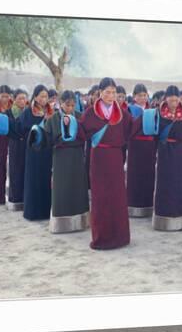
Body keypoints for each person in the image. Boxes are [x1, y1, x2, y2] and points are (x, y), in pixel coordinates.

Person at [78, 77, 133, 250]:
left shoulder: (123, 114)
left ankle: (120, 237)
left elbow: (129, 131)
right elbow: (81, 132)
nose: (111, 96)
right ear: (100, 93)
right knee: (101, 197)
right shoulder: (90, 113)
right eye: (107, 92)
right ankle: (101, 237)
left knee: (117, 196)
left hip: (115, 158)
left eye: (113, 92)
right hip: (99, 158)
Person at [43, 90, 90, 233]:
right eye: (67, 105)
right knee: (61, 188)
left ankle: (80, 222)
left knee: (77, 187)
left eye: (72, 105)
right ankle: (61, 224)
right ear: (60, 103)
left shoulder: (80, 117)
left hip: (77, 156)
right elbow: (47, 139)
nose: (70, 108)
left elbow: (86, 135)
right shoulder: (53, 119)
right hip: (61, 158)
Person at [149, 85, 182, 231]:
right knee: (165, 182)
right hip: (165, 151)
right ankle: (163, 216)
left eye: (176, 98)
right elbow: (153, 133)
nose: (174, 101)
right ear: (166, 98)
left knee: (180, 182)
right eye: (171, 98)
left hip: (181, 152)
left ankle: (180, 216)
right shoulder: (158, 113)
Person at [15, 84, 54, 221]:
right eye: (42, 96)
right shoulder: (27, 113)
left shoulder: (51, 112)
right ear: (35, 97)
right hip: (33, 152)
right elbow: (21, 130)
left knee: (45, 179)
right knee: (33, 179)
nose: (44, 99)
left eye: (46, 96)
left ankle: (45, 211)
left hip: (46, 152)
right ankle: (33, 212)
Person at [126, 83, 156, 217]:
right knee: (135, 175)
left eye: (145, 95)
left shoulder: (152, 110)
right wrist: (142, 118)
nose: (143, 98)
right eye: (140, 95)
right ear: (134, 97)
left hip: (149, 147)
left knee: (148, 174)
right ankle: (134, 204)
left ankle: (148, 205)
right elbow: (128, 129)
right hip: (136, 146)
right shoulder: (129, 110)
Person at [4, 89, 28, 211]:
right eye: (20, 98)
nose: (22, 101)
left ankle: (25, 199)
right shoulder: (8, 113)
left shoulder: (29, 112)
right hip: (14, 144)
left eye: (24, 98)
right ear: (14, 99)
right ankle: (15, 199)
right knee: (15, 170)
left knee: (25, 170)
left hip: (26, 145)